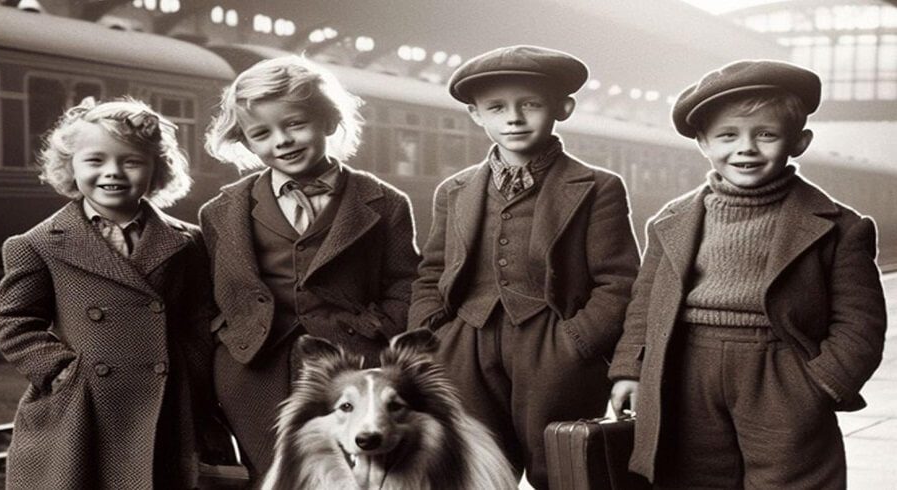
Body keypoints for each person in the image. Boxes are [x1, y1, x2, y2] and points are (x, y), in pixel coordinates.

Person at [609, 60, 888, 488]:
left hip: (781, 374)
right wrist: (630, 370)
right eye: (727, 135)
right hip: (685, 370)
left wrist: (819, 387)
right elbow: (645, 305)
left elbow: (861, 324)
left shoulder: (840, 228)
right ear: (702, 142)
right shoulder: (672, 221)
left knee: (791, 481)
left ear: (799, 141)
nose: (746, 148)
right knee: (691, 478)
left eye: (767, 134)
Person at [408, 45, 641, 488]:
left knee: (564, 469)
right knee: (472, 471)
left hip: (554, 351)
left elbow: (620, 281)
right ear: (477, 115)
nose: (513, 118)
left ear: (562, 108)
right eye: (497, 107)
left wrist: (576, 342)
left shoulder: (598, 187)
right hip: (465, 348)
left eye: (530, 105)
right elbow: (431, 272)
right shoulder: (454, 190)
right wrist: (436, 335)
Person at [0, 97, 231, 489]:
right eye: (95, 161)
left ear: (157, 170)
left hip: (166, 398)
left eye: (131, 161)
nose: (112, 173)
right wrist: (58, 368)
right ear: (70, 167)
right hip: (83, 405)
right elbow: (13, 322)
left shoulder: (188, 242)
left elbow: (199, 316)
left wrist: (194, 374)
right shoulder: (37, 244)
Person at [201, 56, 420, 479]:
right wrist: (227, 343)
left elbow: (405, 282)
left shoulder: (384, 203)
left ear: (329, 121)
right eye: (261, 133)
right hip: (252, 376)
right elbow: (209, 296)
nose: (282, 141)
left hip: (352, 372)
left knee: (357, 473)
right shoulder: (220, 212)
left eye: (296, 124)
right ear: (246, 143)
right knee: (272, 474)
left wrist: (377, 334)